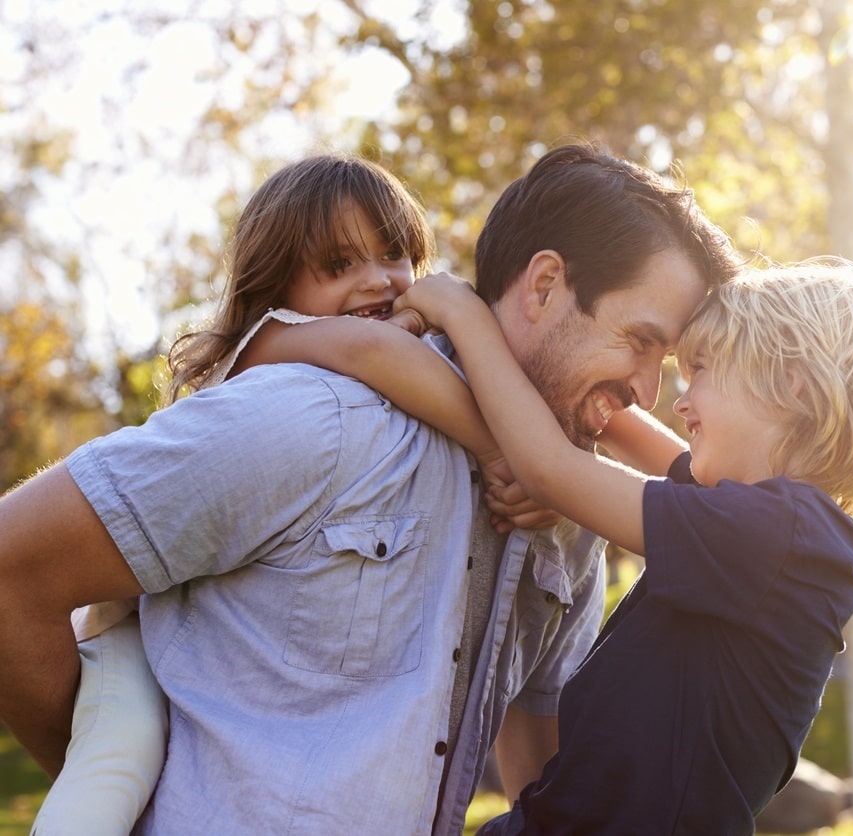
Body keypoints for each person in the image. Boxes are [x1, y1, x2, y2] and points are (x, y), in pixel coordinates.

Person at [0, 142, 738, 834]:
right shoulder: (313, 414)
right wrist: (135, 797)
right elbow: (11, 567)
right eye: (640, 342)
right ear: (544, 284)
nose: (647, 389)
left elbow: (535, 756)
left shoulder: (568, 511)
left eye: (666, 362)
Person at [384, 259, 853, 834]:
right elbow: (621, 426)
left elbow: (547, 467)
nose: (681, 404)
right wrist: (561, 360)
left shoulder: (769, 536)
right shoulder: (772, 530)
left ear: (793, 384)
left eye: (705, 372)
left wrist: (465, 316)